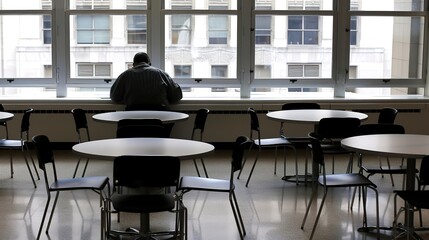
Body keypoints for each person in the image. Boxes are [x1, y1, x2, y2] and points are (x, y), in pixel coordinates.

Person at [110, 52, 183, 111]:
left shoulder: (125, 75)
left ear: (133, 64)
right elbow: (176, 96)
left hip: (133, 119)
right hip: (160, 120)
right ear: (149, 63)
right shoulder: (161, 74)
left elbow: (114, 96)